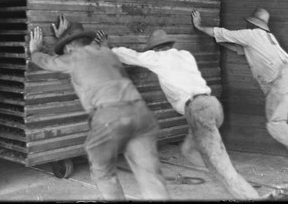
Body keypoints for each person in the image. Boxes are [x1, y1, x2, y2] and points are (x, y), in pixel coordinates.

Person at [94, 29, 260, 200]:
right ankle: (231, 178)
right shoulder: (185, 55)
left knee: (219, 163)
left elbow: (131, 56)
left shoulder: (158, 57)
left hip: (198, 111)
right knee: (189, 150)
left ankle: (244, 191)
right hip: (213, 106)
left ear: (155, 48)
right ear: (169, 44)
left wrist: (107, 48)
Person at [28, 15, 169, 201]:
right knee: (150, 176)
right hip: (141, 114)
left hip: (110, 118)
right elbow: (92, 54)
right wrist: (65, 39)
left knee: (103, 173)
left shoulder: (74, 57)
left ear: (68, 48)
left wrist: (35, 51)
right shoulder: (107, 53)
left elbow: (48, 62)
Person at [191, 8, 288, 173]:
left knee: (276, 123)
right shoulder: (268, 37)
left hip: (285, 79)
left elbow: (221, 32)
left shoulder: (251, 34)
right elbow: (238, 48)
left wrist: (199, 26)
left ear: (251, 23)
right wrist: (217, 40)